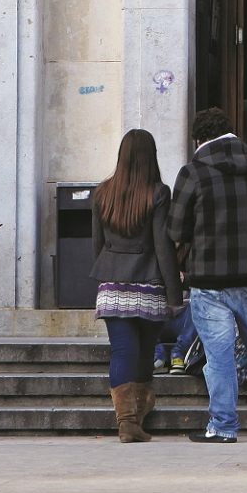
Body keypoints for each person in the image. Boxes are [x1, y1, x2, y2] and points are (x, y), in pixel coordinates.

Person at [168, 107, 247, 444]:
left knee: (219, 353)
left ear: (199, 139)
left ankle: (223, 424)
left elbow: (176, 227)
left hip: (208, 279)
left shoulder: (192, 172)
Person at [91, 128, 182, 442]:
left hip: (112, 283)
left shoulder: (102, 192)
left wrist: (106, 273)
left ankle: (128, 421)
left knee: (122, 352)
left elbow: (97, 244)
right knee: (144, 353)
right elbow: (162, 245)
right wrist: (174, 294)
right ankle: (136, 418)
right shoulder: (158, 192)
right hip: (148, 281)